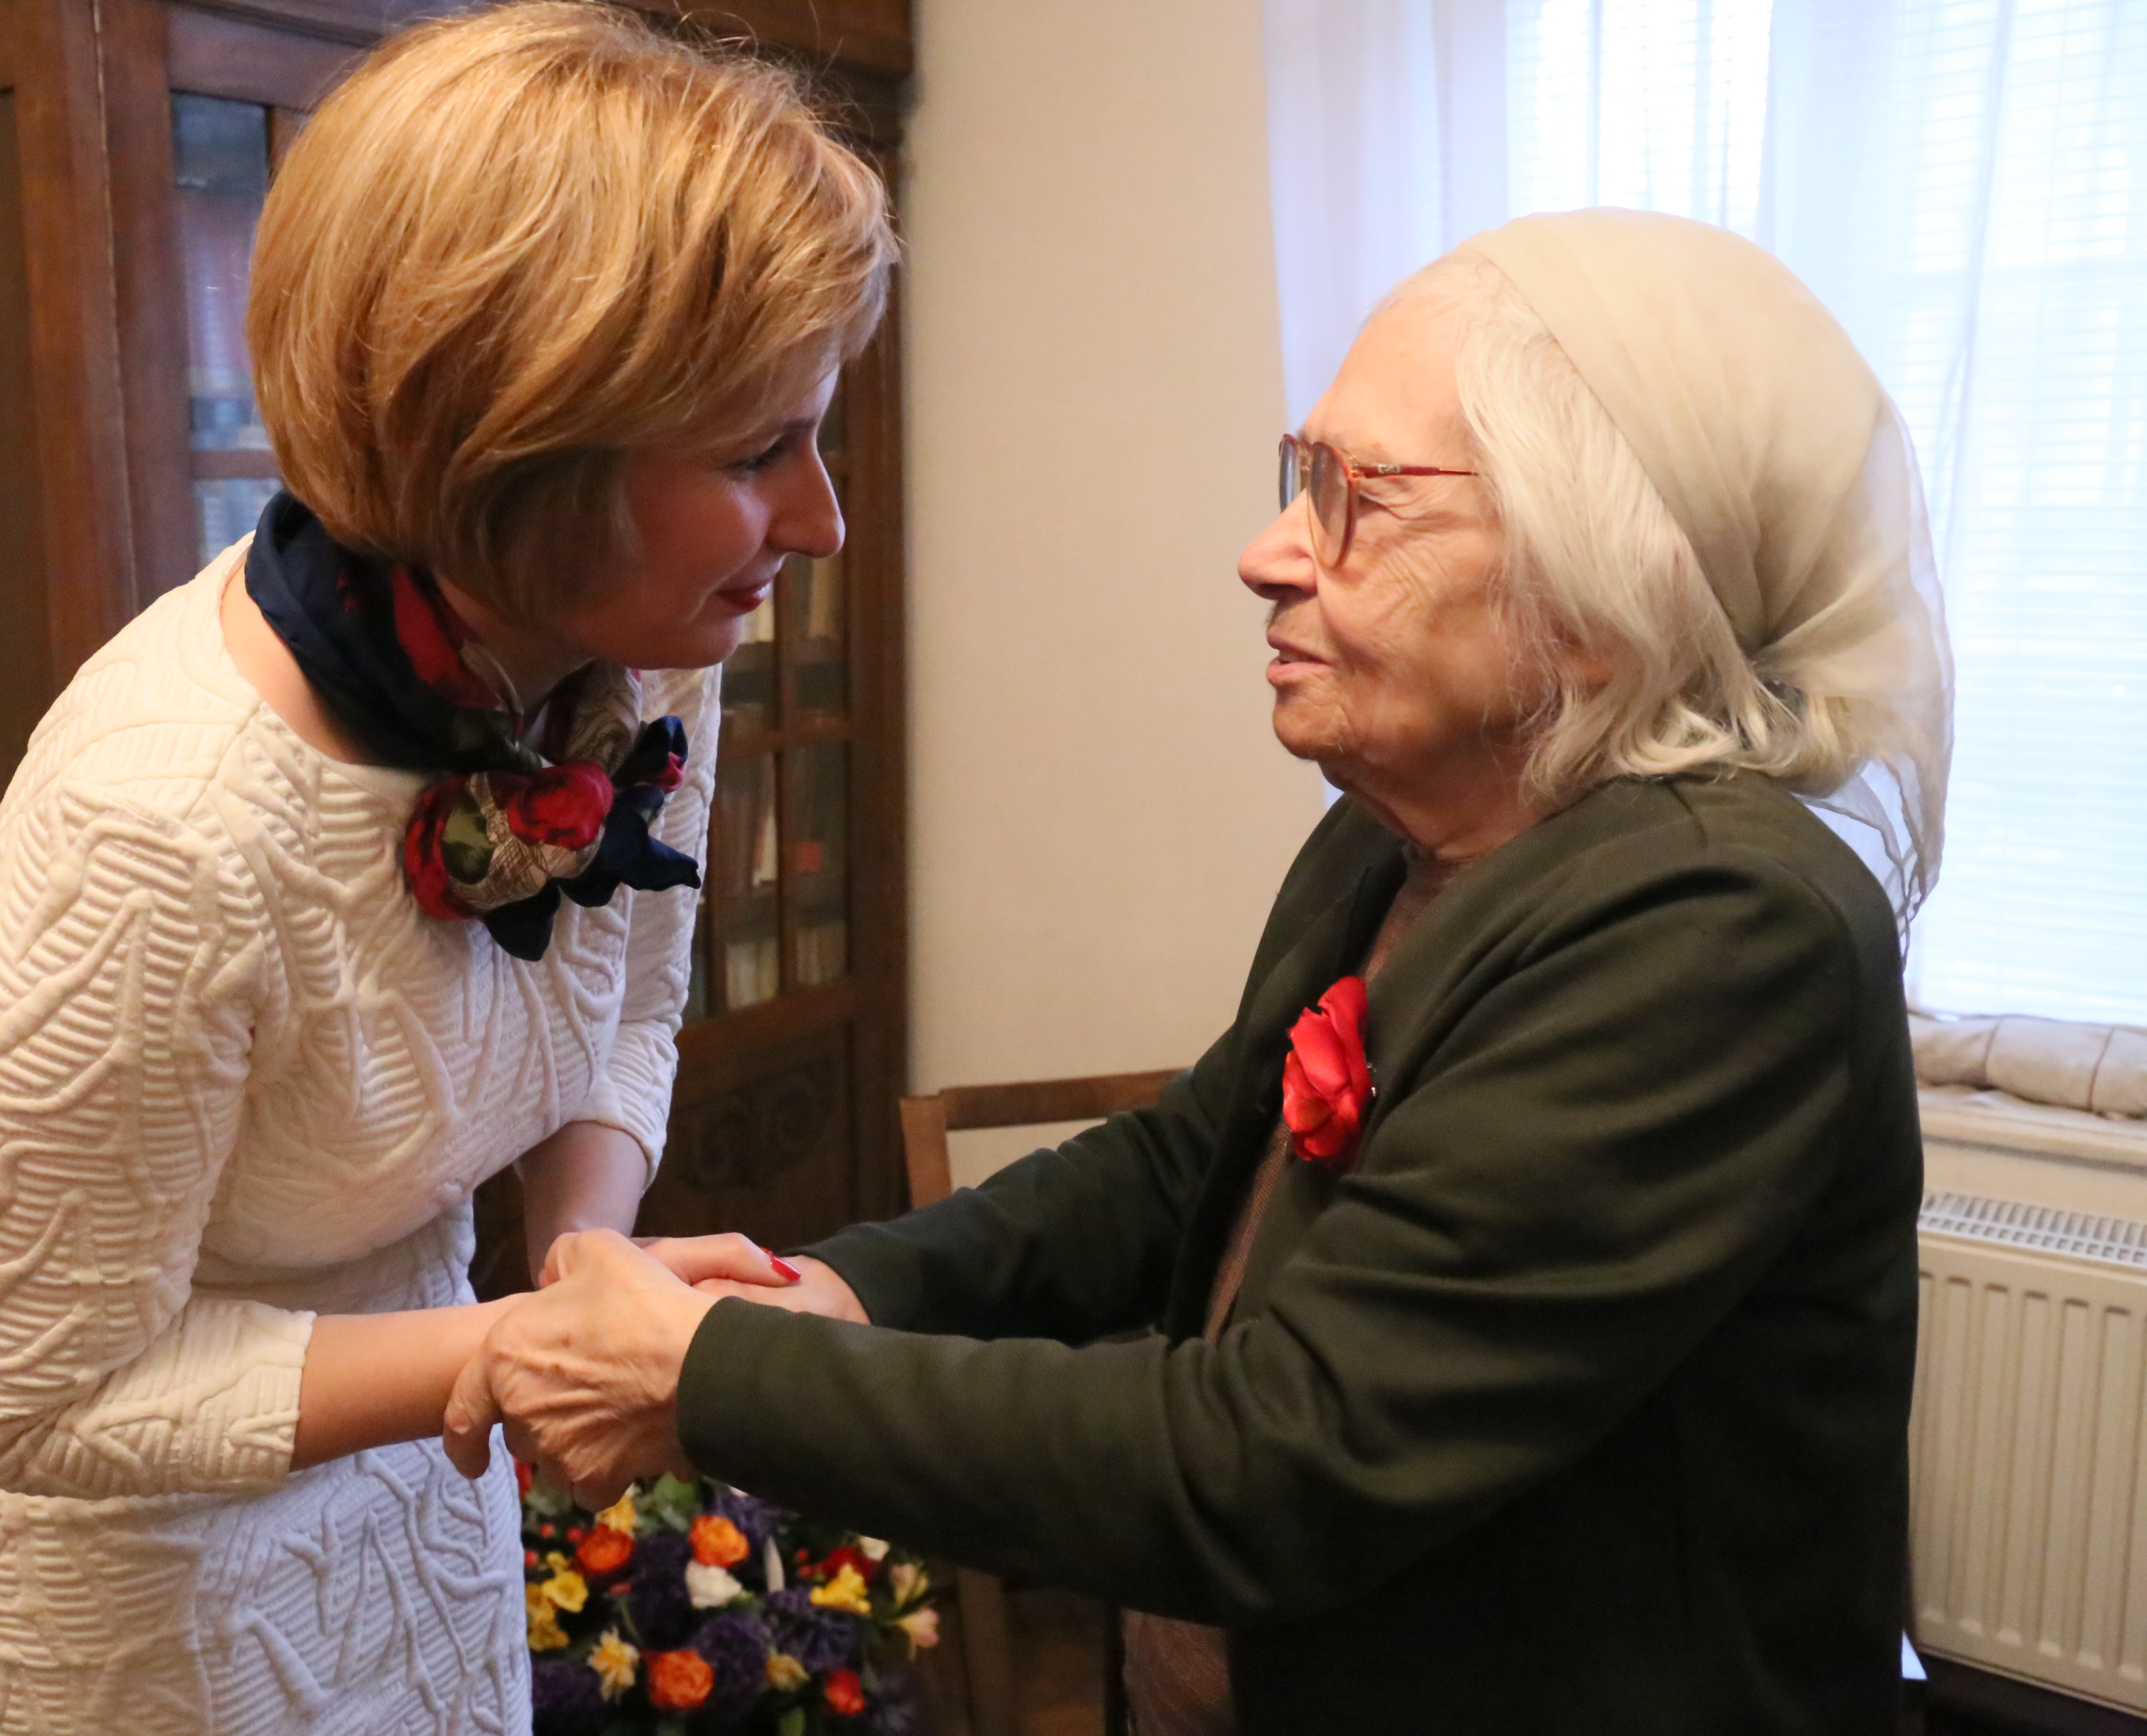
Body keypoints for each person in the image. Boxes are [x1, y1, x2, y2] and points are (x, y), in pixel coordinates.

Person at [443, 208, 1951, 1734]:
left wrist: (714, 1371)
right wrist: (839, 1289)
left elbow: (1284, 1456)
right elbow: (1186, 1169)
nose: (1266, 554)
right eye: (1301, 480)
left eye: (1357, 499)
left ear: (1607, 583)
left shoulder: (1715, 926)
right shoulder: (1403, 835)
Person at [0, 7, 891, 1730]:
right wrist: (512, 1355)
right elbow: (38, 1395)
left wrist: (583, 1265)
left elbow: (629, 994)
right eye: (753, 451)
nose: (823, 520)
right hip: (122, 1538)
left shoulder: (649, 657)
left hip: (407, 1402)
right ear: (524, 458)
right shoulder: (164, 827)